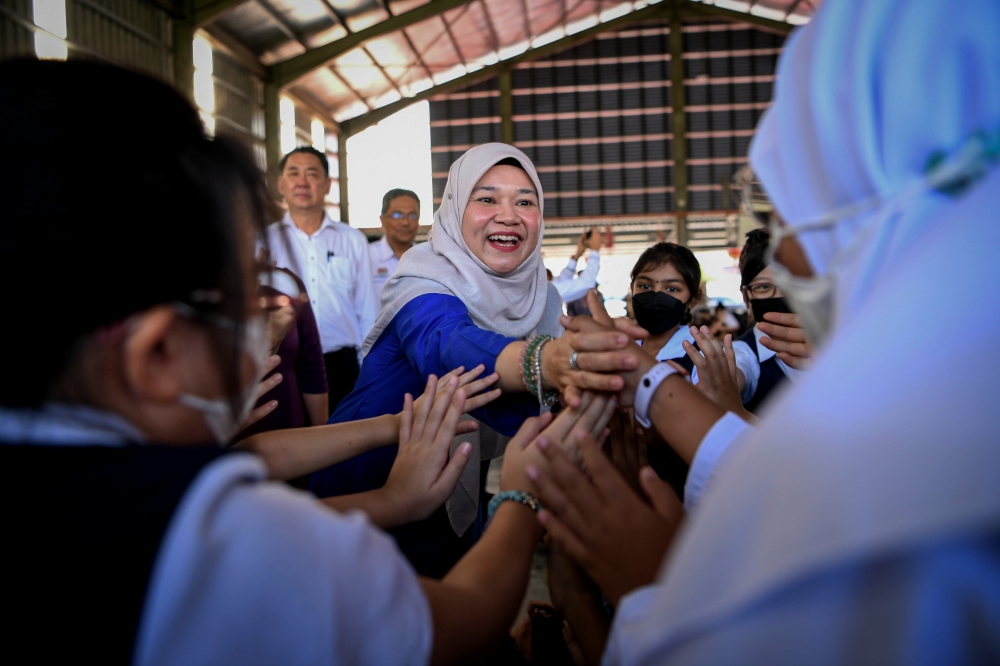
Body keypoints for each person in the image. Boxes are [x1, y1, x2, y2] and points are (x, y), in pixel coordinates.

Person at [0, 59, 621, 665]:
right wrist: (520, 488)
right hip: (379, 491)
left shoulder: (539, 289)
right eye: (246, 294)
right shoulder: (224, 541)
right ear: (156, 355)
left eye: (525, 200)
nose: (268, 322)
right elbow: (462, 621)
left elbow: (249, 460)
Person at [530, 0, 1000, 660]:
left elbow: (822, 506)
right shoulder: (957, 372)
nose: (780, 264)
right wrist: (644, 377)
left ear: (872, 196)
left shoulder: (898, 516)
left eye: (788, 215)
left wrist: (643, 597)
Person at [310, 143, 637, 577]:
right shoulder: (421, 285)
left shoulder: (544, 302)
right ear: (453, 211)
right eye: (486, 199)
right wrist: (545, 361)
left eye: (525, 201)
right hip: (365, 491)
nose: (508, 214)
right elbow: (446, 343)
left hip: (453, 496)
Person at [265, 146, 378, 415]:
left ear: (327, 185)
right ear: (281, 184)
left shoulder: (352, 240)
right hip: (285, 364)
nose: (302, 182)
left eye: (312, 174)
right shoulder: (263, 241)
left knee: (347, 446)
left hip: (342, 366)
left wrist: (370, 372)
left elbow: (367, 310)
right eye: (294, 173)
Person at [239, 268, 329, 438]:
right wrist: (268, 341)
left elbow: (311, 364)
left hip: (290, 424)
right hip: (233, 436)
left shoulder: (285, 283)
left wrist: (322, 434)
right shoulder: (210, 295)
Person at [731, 228, 805, 413]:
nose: (780, 295)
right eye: (763, 287)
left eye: (791, 283)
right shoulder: (742, 353)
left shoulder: (841, 342)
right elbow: (733, 374)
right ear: (746, 296)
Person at [371, 188, 420, 299]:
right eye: (397, 215)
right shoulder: (366, 257)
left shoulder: (428, 258)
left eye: (412, 216)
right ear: (383, 220)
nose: (405, 222)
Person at [551, 227, 603, 304]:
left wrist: (577, 255)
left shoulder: (543, 288)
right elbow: (586, 284)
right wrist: (594, 250)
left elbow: (560, 281)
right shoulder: (543, 292)